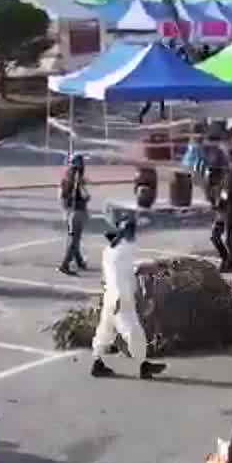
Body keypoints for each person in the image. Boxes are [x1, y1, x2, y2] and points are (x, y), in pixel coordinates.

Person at [89, 213, 166, 380]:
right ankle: (143, 365)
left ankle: (97, 362)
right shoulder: (123, 250)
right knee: (133, 330)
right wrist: (152, 266)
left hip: (111, 295)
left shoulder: (109, 251)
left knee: (105, 330)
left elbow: (126, 270)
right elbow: (126, 271)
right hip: (120, 297)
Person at [58, 155, 91, 276]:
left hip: (68, 211)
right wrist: (86, 196)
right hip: (78, 211)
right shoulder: (78, 178)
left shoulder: (65, 178)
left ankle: (79, 261)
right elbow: (84, 195)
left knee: (73, 237)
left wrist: (65, 209)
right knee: (75, 239)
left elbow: (61, 196)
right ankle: (65, 264)